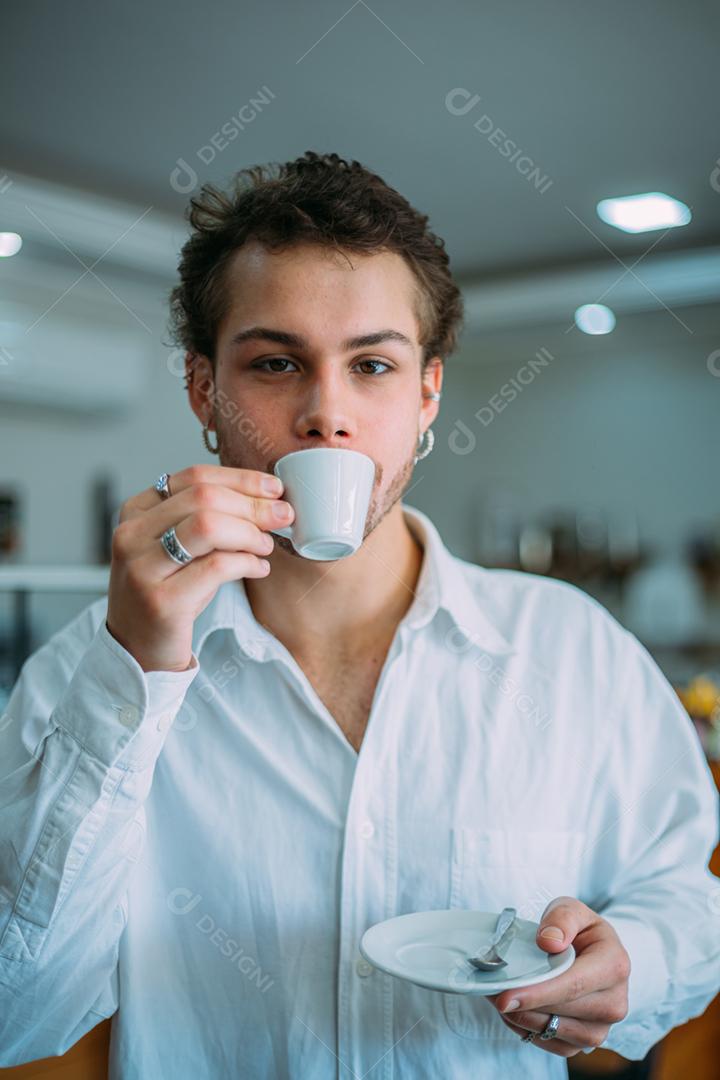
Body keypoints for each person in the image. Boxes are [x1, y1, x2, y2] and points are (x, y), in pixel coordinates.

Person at [0, 151, 718, 1079]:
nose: (325, 414)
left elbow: (686, 896)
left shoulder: (572, 651)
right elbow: (15, 1015)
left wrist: (638, 962)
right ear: (202, 392)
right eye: (274, 362)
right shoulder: (86, 673)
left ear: (428, 396)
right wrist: (134, 667)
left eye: (371, 364)